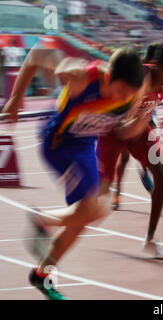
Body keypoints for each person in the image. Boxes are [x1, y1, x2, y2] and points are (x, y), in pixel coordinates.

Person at [2, 47, 147, 299]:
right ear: (108, 75)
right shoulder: (80, 75)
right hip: (58, 145)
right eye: (121, 90)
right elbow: (37, 55)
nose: (123, 97)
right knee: (92, 208)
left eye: (129, 93)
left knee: (87, 216)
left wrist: (138, 122)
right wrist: (16, 98)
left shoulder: (135, 91)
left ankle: (42, 274)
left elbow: (125, 130)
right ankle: (41, 219)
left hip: (84, 148)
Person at [97, 42, 163, 259]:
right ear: (157, 65)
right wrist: (137, 123)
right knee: (99, 193)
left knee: (162, 175)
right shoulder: (142, 78)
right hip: (115, 129)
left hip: (138, 128)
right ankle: (60, 219)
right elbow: (123, 124)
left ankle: (151, 239)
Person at [111, 43, 163, 210]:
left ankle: (144, 170)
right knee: (124, 159)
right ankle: (117, 193)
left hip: (146, 119)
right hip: (128, 118)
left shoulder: (161, 77)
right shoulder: (138, 73)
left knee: (155, 147)